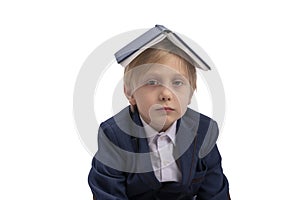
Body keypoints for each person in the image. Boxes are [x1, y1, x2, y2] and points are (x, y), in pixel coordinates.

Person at [88, 27, 230, 200]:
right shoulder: (114, 135)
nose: (166, 94)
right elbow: (107, 192)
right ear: (130, 93)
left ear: (190, 95)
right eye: (152, 82)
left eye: (177, 83)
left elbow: (215, 193)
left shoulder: (204, 131)